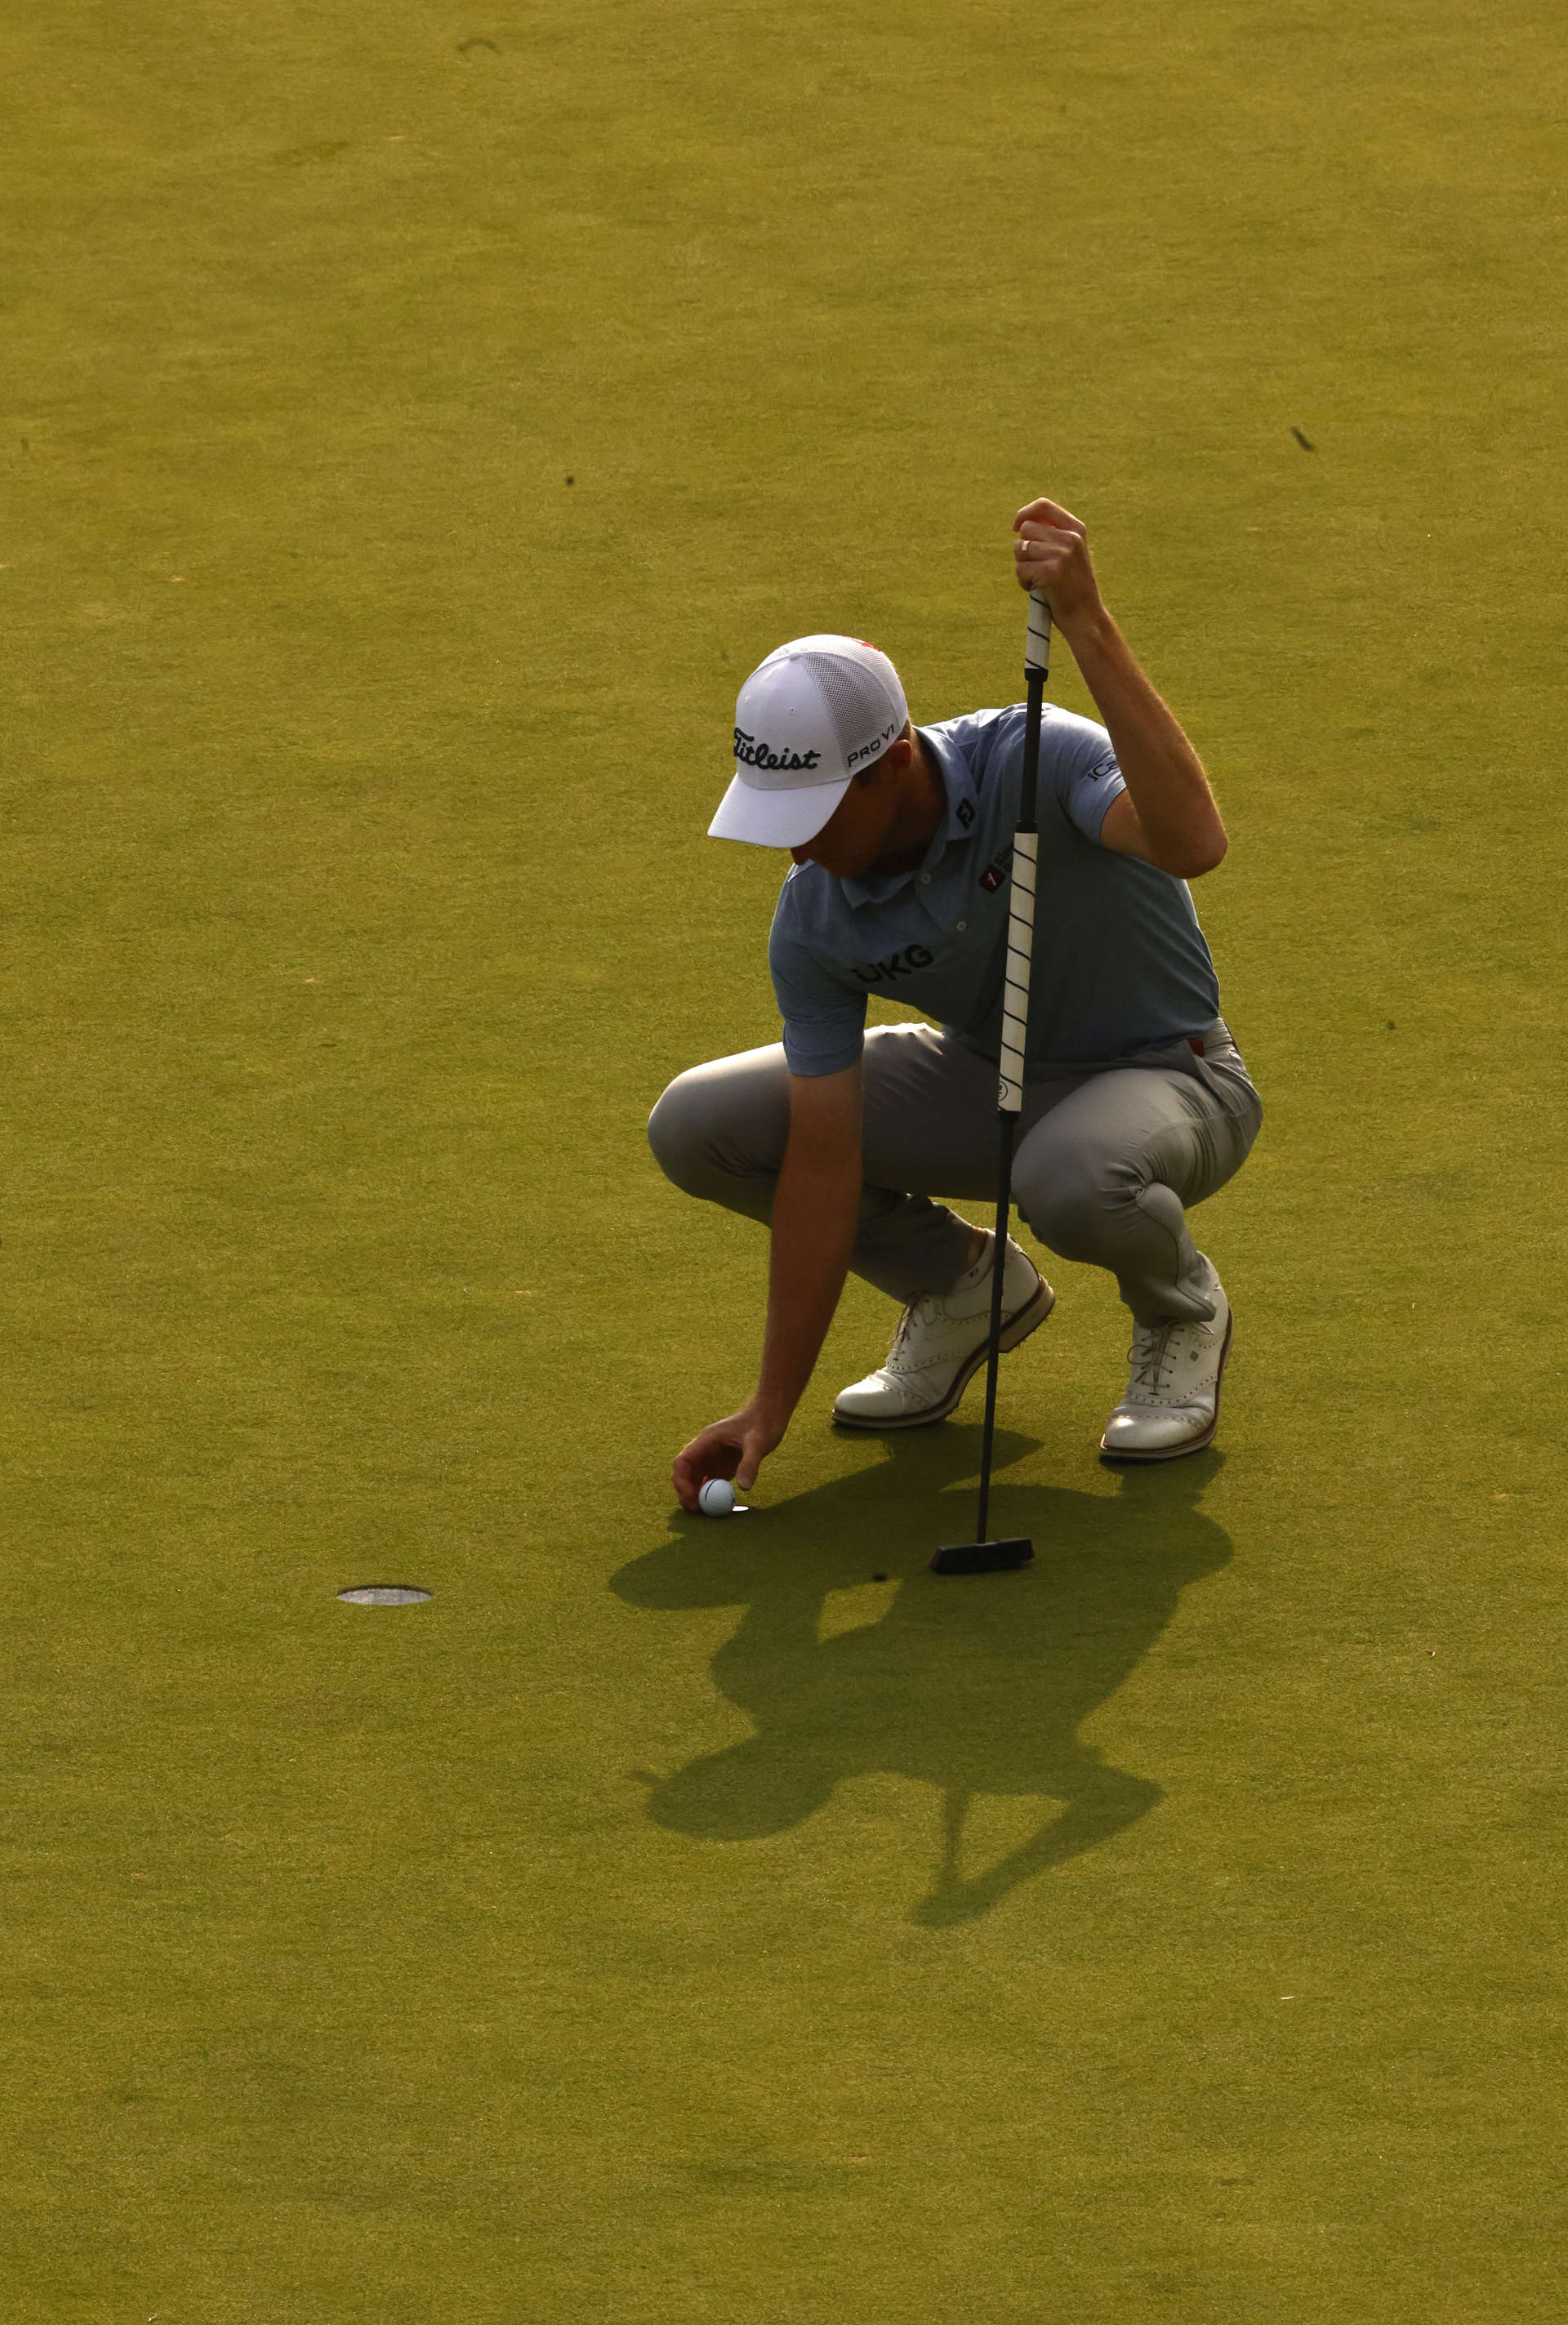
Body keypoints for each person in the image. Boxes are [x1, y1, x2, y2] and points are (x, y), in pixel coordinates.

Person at [648, 496, 1262, 1514]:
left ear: (891, 767)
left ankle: (1179, 1309)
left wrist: (1088, 624)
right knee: (700, 1125)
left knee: (1069, 1175)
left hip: (1174, 1072)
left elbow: (1194, 842)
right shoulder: (816, 919)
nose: (795, 848)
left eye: (812, 814)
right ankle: (964, 1285)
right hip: (992, 1079)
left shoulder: (1035, 757)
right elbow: (822, 1163)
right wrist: (769, 1407)